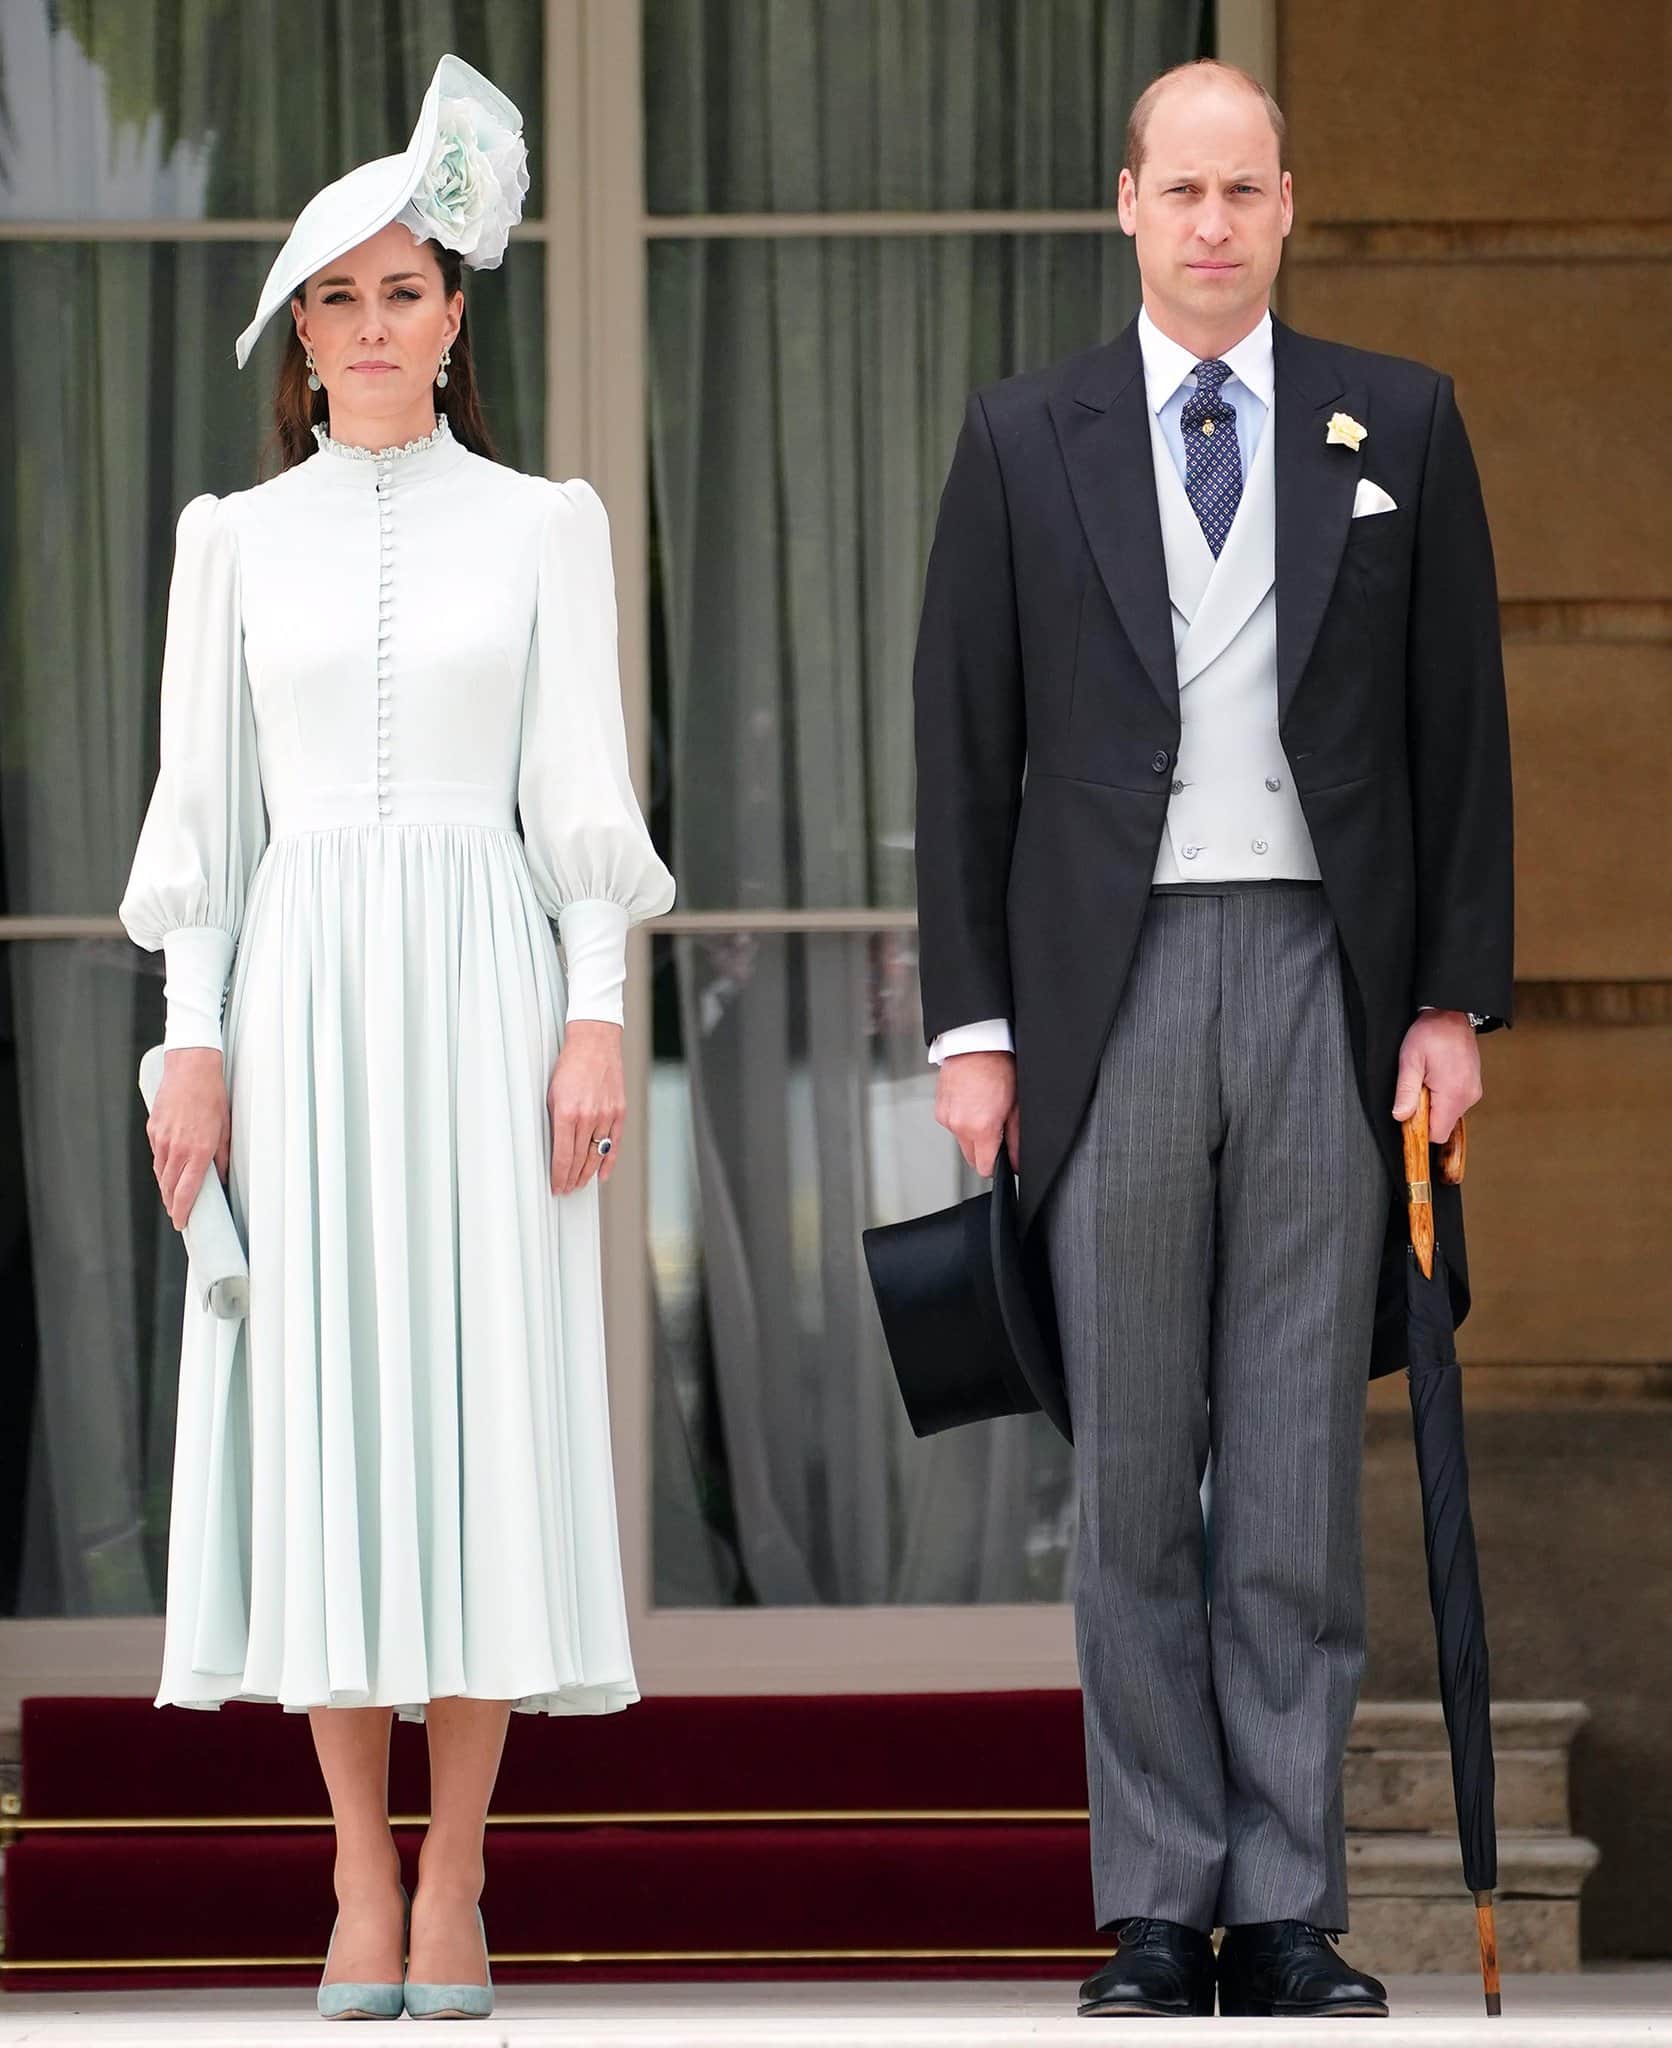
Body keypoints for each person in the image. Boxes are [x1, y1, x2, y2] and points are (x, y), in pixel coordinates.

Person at [913, 59, 1512, 2021]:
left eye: (1242, 189)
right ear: (1123, 202)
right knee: (1129, 1466)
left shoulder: (1396, 420)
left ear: (1285, 203)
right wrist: (975, 1028)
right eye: (1179, 189)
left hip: (1323, 982)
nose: (1209, 224)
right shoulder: (1023, 438)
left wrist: (1443, 1000)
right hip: (1112, 990)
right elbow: (961, 750)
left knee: (1286, 1474)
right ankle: (1155, 1902)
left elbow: (1454, 741)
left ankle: (1283, 1904)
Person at [119, 56, 674, 2023]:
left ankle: (462, 1877)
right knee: (331, 1426)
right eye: (340, 296)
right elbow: (203, 822)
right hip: (294, 1004)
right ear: (302, 331)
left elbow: (578, 800)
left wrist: (596, 1014)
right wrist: (190, 1044)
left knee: (478, 1420)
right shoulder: (227, 540)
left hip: (484, 1002)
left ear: (456, 316)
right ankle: (358, 1874)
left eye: (406, 290)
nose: (374, 326)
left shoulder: (544, 524)